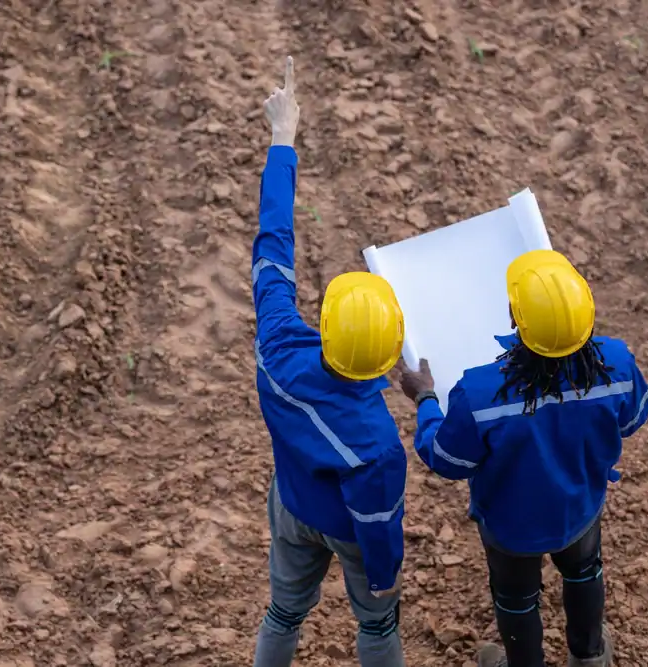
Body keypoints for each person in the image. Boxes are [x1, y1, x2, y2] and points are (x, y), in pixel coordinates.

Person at [398, 249, 648, 667]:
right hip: (581, 509)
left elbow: (444, 458)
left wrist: (426, 399)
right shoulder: (617, 363)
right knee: (584, 572)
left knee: (516, 599)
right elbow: (631, 421)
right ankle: (588, 657)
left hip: (510, 527)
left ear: (515, 319)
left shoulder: (480, 393)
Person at [251, 56, 408, 667]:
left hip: (292, 505)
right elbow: (377, 520)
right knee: (376, 623)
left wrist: (282, 137)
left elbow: (273, 245)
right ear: (387, 361)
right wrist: (384, 574)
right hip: (349, 529)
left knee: (284, 611)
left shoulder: (281, 351)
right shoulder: (377, 442)